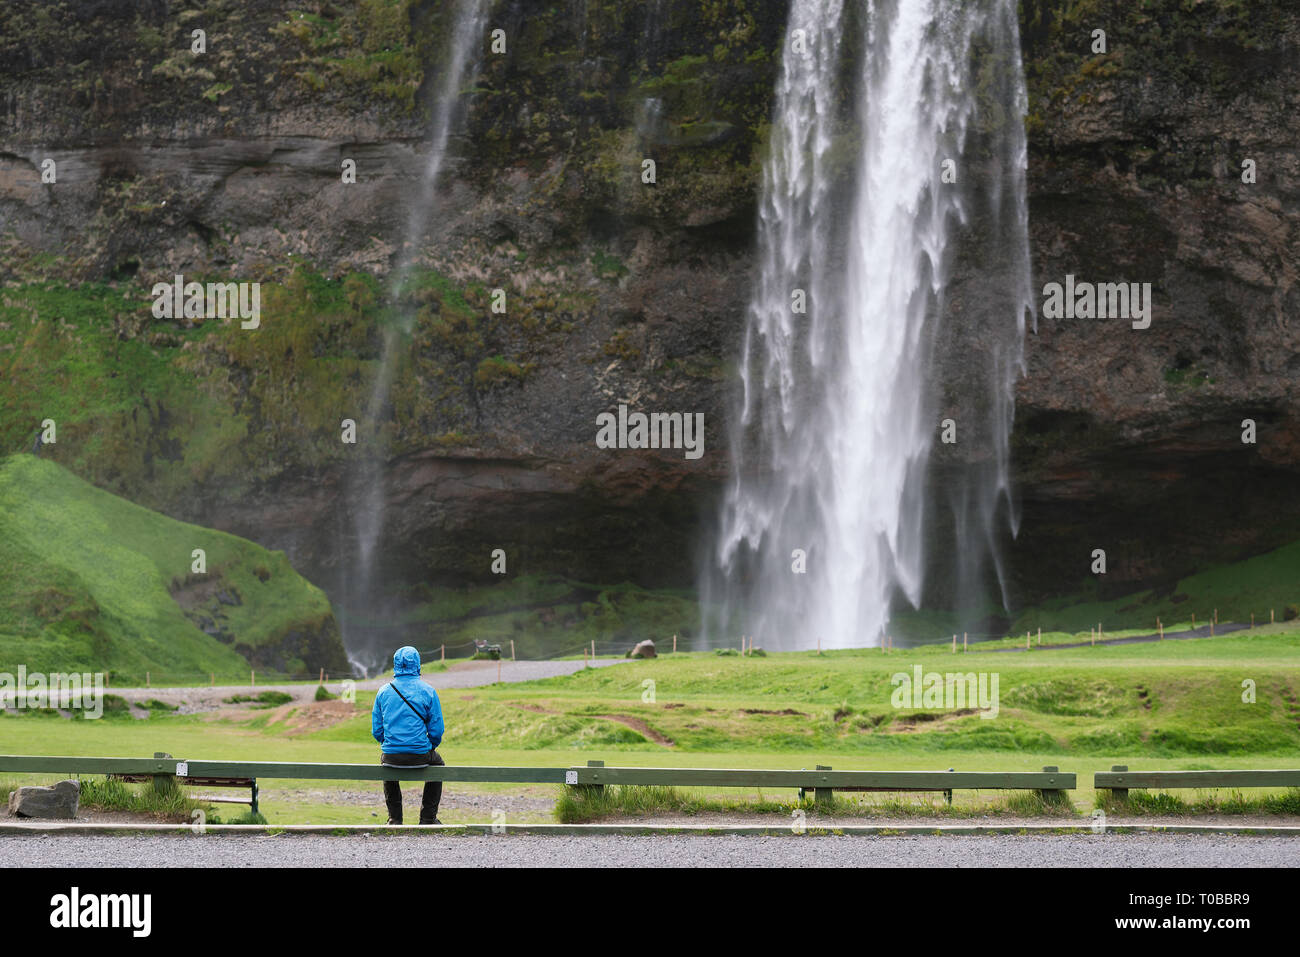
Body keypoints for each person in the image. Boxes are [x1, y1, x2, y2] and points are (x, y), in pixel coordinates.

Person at [371, 645, 445, 825]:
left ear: (395, 665)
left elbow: (377, 730)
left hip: (392, 755)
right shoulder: (428, 691)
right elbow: (437, 730)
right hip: (421, 754)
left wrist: (389, 743)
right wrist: (429, 745)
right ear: (418, 664)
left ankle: (394, 818)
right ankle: (428, 817)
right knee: (439, 766)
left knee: (386, 765)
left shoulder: (383, 692)